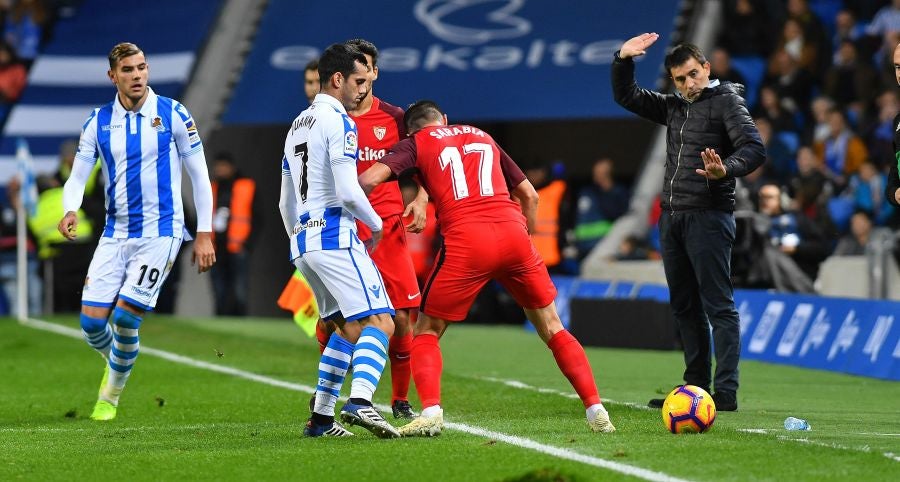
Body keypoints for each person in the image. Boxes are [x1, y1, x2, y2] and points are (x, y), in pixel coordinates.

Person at [359, 100, 616, 436]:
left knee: (426, 330)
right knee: (552, 326)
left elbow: (369, 179)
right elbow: (529, 195)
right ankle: (596, 408)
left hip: (467, 239)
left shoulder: (415, 143)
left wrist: (360, 219)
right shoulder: (482, 135)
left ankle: (432, 411)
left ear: (411, 130)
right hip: (513, 234)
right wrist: (528, 236)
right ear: (445, 119)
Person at [57, 42, 216, 421]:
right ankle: (122, 361)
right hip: (115, 233)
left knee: (126, 319)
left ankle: (109, 396)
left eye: (142, 68)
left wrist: (205, 231)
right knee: (92, 324)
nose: (138, 76)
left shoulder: (173, 113)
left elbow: (199, 174)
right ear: (113, 76)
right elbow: (78, 175)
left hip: (162, 232)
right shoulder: (97, 122)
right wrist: (70, 208)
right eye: (128, 70)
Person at [612, 35, 766, 411]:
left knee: (718, 305)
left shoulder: (727, 101)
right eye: (680, 79)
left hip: (709, 216)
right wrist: (622, 60)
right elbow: (627, 96)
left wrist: (724, 169)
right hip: (673, 217)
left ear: (707, 69)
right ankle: (696, 387)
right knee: (684, 306)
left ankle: (725, 393)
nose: (688, 84)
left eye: (693, 75)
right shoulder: (675, 107)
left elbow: (754, 148)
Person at [279, 42, 399, 438]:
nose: (363, 91)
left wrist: (301, 240)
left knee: (346, 328)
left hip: (304, 241)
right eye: (357, 82)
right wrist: (377, 225)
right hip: (335, 233)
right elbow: (348, 191)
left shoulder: (297, 124)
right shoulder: (341, 122)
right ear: (338, 80)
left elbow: (285, 202)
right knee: (382, 321)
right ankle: (362, 402)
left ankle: (321, 420)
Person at [343, 38, 426, 419]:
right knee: (337, 319)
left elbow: (431, 156)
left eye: (367, 73)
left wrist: (422, 197)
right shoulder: (327, 118)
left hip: (388, 227)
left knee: (404, 315)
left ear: (375, 72)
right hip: (342, 228)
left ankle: (399, 400)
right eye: (354, 75)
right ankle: (326, 395)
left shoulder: (394, 118)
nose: (361, 83)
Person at [210, 152, 257, 316]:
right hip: (216, 247)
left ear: (232, 167)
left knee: (239, 287)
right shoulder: (212, 188)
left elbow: (258, 218)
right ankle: (220, 315)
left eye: (223, 166)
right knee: (218, 287)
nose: (220, 170)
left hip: (238, 247)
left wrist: (247, 244)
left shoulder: (246, 186)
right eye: (218, 167)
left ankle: (240, 317)